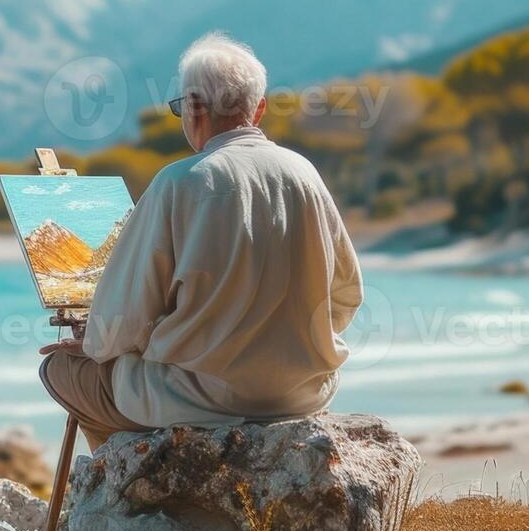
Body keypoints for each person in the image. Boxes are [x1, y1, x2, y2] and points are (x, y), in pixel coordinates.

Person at [39, 32, 364, 449]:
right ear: (259, 109)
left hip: (199, 398)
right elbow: (347, 295)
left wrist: (94, 343)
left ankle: (123, 492)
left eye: (180, 107)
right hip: (303, 393)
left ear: (193, 108)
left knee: (61, 370)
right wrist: (292, 341)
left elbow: (124, 322)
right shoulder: (304, 174)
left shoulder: (179, 182)